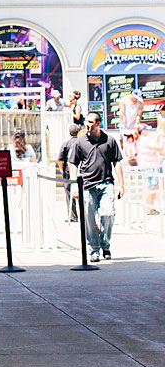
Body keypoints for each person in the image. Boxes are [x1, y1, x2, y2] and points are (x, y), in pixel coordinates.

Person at [69, 111, 124, 262]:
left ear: (98, 123)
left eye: (91, 122)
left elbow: (117, 162)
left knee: (108, 213)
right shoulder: (80, 142)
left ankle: (105, 244)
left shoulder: (109, 140)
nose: (87, 124)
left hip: (106, 183)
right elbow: (72, 163)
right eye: (86, 121)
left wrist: (121, 184)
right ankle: (94, 249)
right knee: (89, 216)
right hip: (87, 184)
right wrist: (74, 184)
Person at [57, 124, 82, 222]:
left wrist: (62, 169)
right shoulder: (82, 142)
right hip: (81, 172)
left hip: (68, 173)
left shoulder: (66, 144)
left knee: (68, 193)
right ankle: (84, 214)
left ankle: (73, 216)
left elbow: (60, 159)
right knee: (82, 193)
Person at [117, 88, 143, 163]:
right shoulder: (124, 100)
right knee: (123, 140)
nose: (136, 100)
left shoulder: (140, 102)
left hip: (133, 125)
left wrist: (137, 124)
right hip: (125, 124)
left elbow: (139, 114)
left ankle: (134, 157)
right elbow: (121, 112)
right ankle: (125, 156)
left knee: (134, 142)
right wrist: (122, 123)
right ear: (131, 95)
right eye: (135, 98)